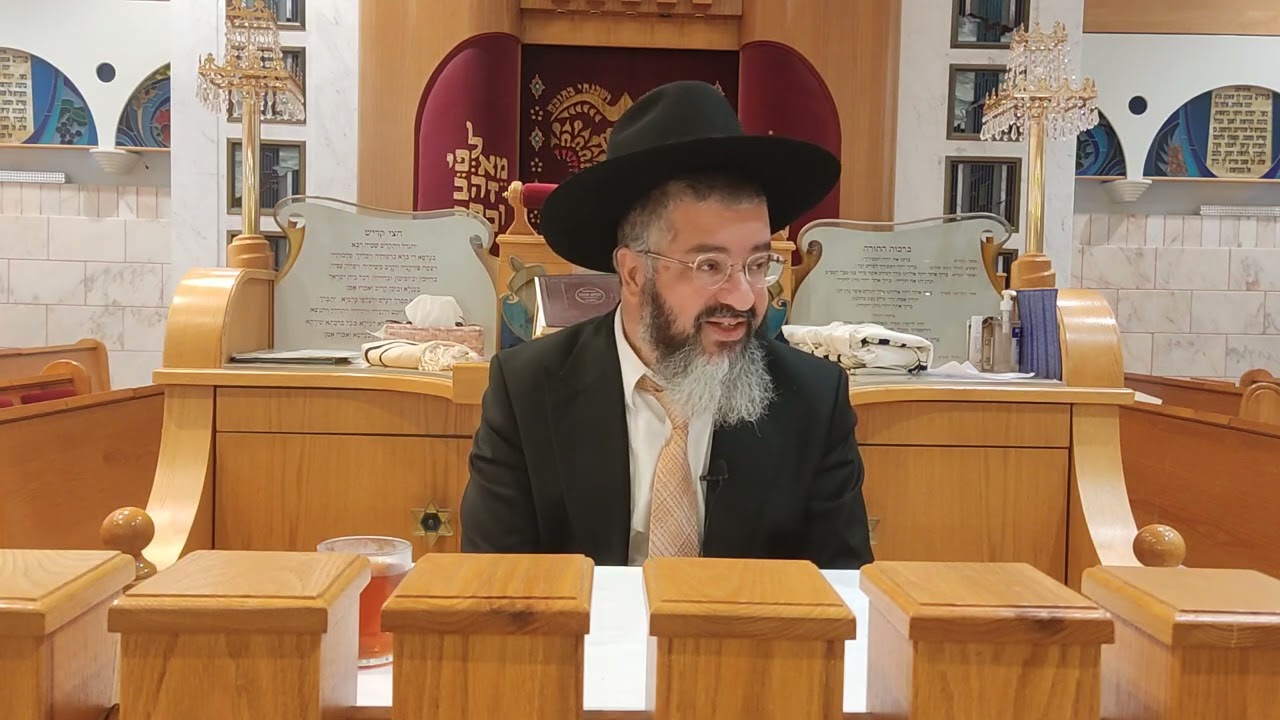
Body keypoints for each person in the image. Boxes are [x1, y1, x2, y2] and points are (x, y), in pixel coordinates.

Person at [459, 80, 873, 569]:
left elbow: (841, 594)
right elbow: (494, 584)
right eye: (710, 266)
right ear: (635, 273)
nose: (743, 297)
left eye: (758, 265)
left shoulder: (814, 401)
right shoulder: (527, 390)